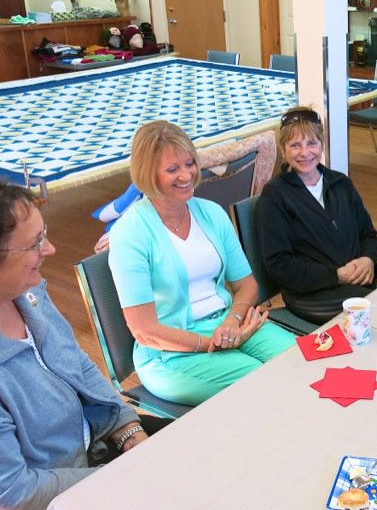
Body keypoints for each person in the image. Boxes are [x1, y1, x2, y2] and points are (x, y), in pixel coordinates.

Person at [0, 184, 169, 510]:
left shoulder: (30, 296)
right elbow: (15, 492)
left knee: (201, 448)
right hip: (59, 491)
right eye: (35, 243)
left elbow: (77, 363)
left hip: (97, 445)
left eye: (43, 233)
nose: (50, 248)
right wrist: (114, 476)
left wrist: (127, 427)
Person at [108, 121, 295, 406]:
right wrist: (214, 344)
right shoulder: (130, 232)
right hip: (168, 353)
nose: (186, 175)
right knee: (267, 386)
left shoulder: (210, 213)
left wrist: (232, 322)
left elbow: (246, 285)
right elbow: (145, 330)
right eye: (172, 169)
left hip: (227, 324)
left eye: (189, 163)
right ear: (148, 174)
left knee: (305, 363)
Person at [256, 107, 377, 325]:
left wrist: (368, 259)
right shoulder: (275, 197)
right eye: (295, 145)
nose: (305, 153)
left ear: (322, 145)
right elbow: (280, 265)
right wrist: (337, 275)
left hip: (358, 285)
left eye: (311, 143)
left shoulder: (341, 184)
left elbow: (368, 234)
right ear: (283, 150)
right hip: (312, 295)